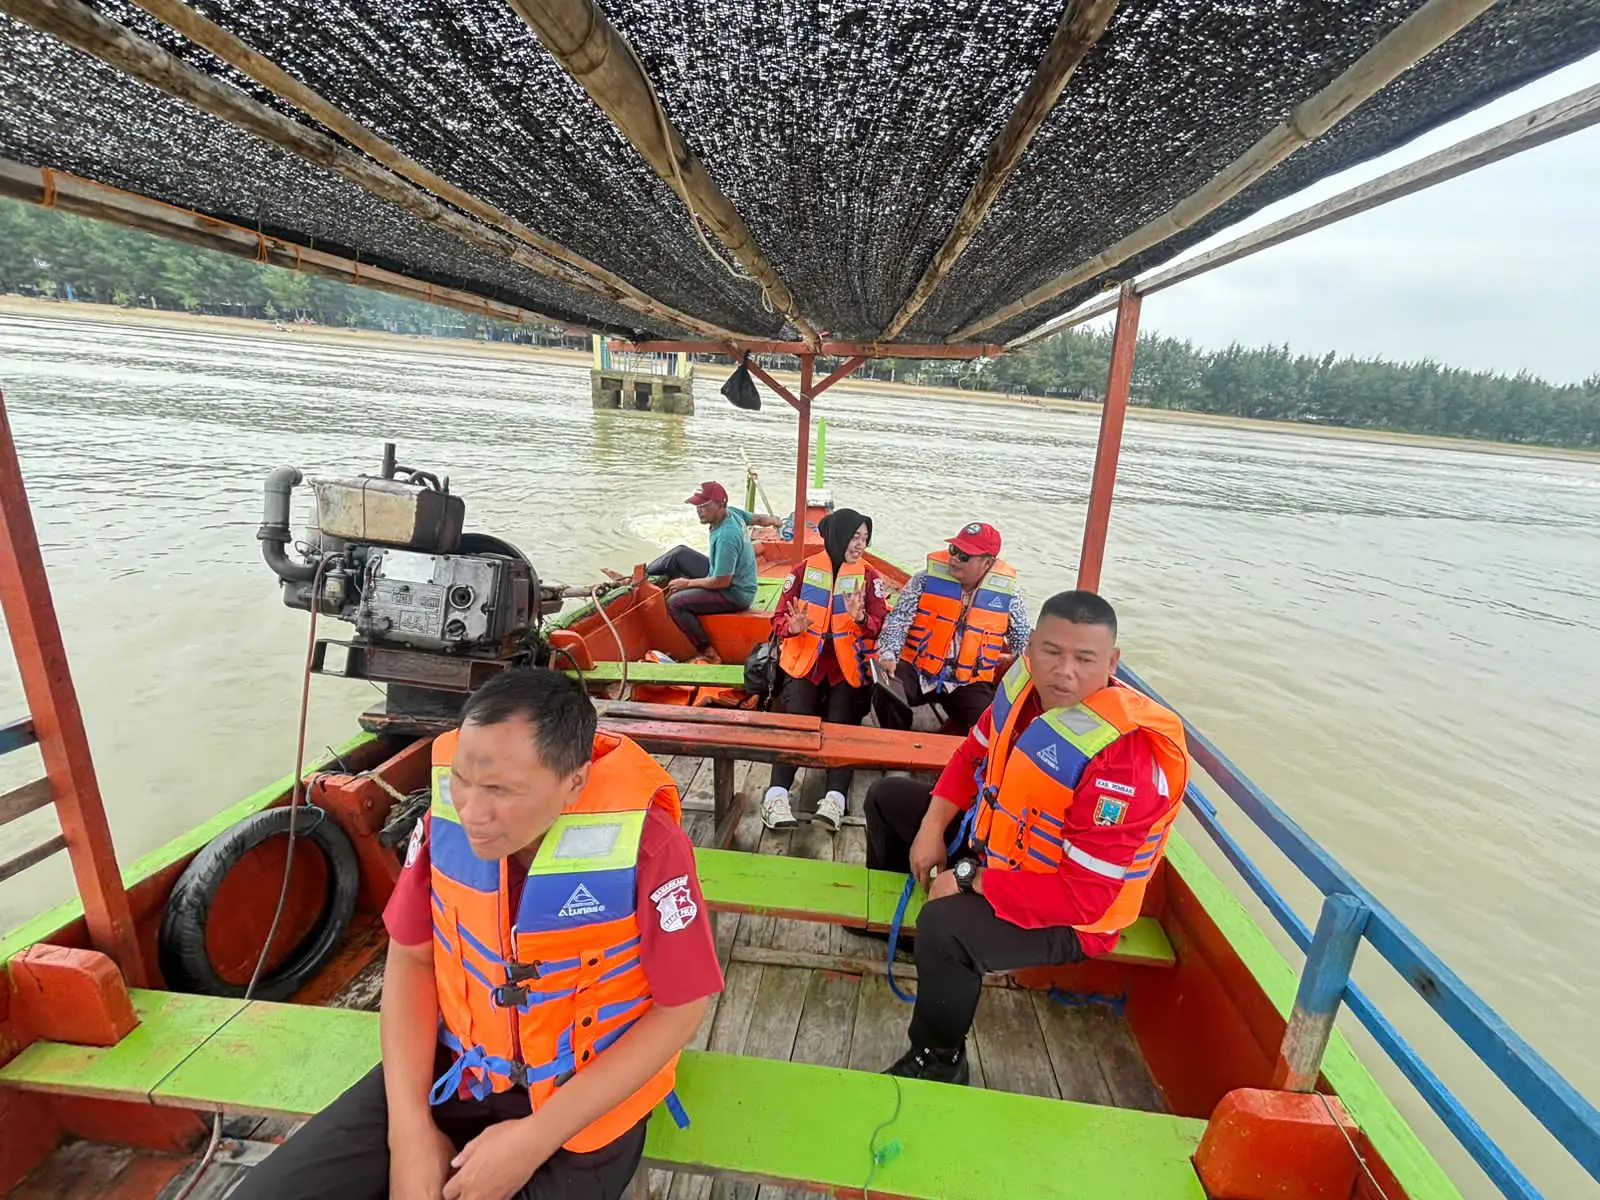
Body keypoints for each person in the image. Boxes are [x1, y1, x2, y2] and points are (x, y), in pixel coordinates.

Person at [232, 669, 723, 1200]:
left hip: (584, 1103)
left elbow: (682, 1009)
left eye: (501, 791)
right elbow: (413, 960)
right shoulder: (447, 820)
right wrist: (410, 1132)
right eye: (463, 779)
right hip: (459, 1071)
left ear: (574, 782)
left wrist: (534, 1140)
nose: (472, 811)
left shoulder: (649, 847)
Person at [863, 591, 1189, 1085]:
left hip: (1072, 915)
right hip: (999, 853)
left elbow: (1083, 899)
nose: (1066, 672)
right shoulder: (1020, 692)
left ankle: (939, 1057)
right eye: (1053, 652)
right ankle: (906, 939)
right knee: (887, 799)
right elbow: (972, 756)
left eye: (1085, 659)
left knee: (946, 926)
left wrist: (968, 878)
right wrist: (931, 829)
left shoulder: (1121, 763)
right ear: (1031, 646)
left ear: (1113, 662)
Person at [760, 508, 890, 832]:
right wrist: (791, 626)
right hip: (807, 664)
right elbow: (777, 620)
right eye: (854, 536)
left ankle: (835, 799)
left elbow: (878, 627)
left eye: (864, 537)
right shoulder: (803, 572)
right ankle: (775, 796)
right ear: (836, 536)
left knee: (841, 724)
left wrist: (861, 619)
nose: (860, 544)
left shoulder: (871, 578)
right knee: (798, 723)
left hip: (847, 667)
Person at [871, 522, 1031, 735]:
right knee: (885, 691)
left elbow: (1022, 643)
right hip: (918, 669)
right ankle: (897, 743)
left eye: (965, 556)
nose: (955, 558)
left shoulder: (1009, 597)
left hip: (967, 681)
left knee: (989, 727)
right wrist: (889, 653)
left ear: (987, 562)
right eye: (954, 550)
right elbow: (898, 620)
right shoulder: (924, 580)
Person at [622, 481, 779, 664]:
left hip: (735, 593)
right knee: (679, 554)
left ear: (720, 505)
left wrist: (686, 583)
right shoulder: (733, 513)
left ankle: (709, 653)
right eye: (697, 506)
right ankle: (635, 578)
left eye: (704, 506)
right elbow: (758, 519)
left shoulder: (727, 537)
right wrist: (774, 520)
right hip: (721, 573)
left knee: (675, 603)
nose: (699, 511)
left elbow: (722, 582)